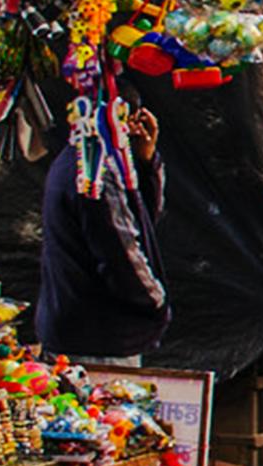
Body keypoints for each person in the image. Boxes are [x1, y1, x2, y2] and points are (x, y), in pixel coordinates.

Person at [38, 102, 168, 366]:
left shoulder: (76, 160)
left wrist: (144, 161)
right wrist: (157, 302)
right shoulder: (96, 171)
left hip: (73, 328)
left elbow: (138, 223)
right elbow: (121, 254)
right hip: (98, 338)